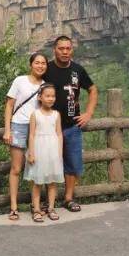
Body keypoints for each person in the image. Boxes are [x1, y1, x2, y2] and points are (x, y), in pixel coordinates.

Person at [44, 35, 97, 213]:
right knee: (49, 163)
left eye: (68, 48)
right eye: (61, 48)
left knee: (72, 163)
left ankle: (68, 198)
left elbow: (92, 89)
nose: (65, 52)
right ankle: (48, 202)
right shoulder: (47, 69)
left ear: (72, 50)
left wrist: (88, 113)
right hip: (49, 127)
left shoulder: (77, 70)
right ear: (55, 50)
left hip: (72, 126)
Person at [1, 52, 48, 220]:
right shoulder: (19, 80)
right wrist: (7, 130)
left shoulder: (45, 85)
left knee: (35, 167)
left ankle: (35, 205)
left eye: (43, 63)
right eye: (37, 62)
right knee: (16, 168)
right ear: (31, 64)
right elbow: (9, 105)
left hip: (37, 129)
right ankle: (13, 207)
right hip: (18, 126)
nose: (40, 65)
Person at [25, 84, 64, 223]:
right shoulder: (35, 114)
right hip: (39, 150)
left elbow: (59, 134)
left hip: (53, 150)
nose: (50, 98)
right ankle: (36, 209)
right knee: (37, 182)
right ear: (40, 97)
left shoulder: (56, 114)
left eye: (53, 96)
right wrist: (31, 153)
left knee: (52, 182)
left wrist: (59, 153)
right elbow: (31, 135)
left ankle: (51, 208)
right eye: (47, 96)